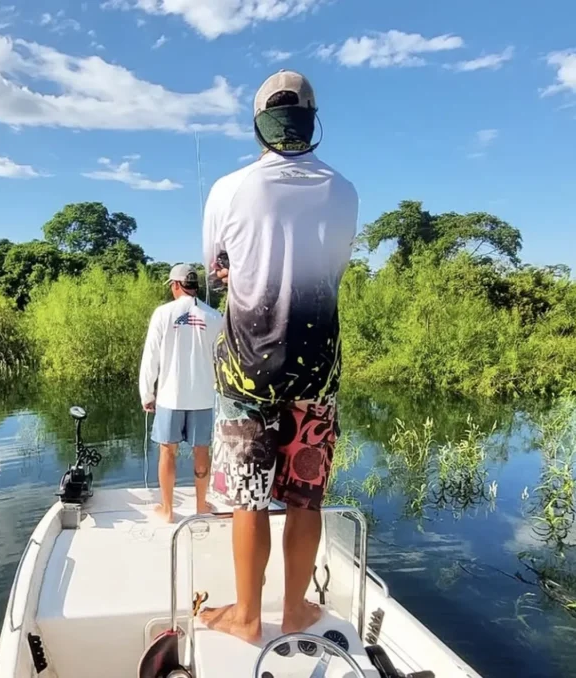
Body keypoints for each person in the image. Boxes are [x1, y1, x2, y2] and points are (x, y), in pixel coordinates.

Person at [199, 70, 359, 642]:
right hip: (316, 371)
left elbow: (218, 268)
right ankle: (294, 612)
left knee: (248, 501)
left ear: (259, 126)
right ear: (312, 121)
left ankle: (246, 618)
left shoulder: (228, 189)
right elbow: (332, 268)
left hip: (245, 371)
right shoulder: (345, 191)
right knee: (304, 499)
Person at [139, 263, 224, 522]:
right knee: (202, 451)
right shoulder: (214, 316)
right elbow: (223, 360)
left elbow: (150, 356)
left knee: (168, 451)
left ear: (176, 285)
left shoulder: (163, 313)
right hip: (203, 398)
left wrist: (147, 393)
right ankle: (200, 505)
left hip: (169, 396)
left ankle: (167, 510)